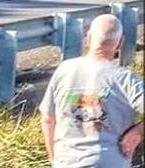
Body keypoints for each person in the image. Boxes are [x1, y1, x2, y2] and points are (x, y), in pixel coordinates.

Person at [40, 13, 143, 168]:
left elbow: (48, 118)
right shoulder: (125, 79)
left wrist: (54, 161)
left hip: (66, 162)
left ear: (88, 38)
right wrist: (139, 132)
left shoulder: (64, 70)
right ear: (120, 43)